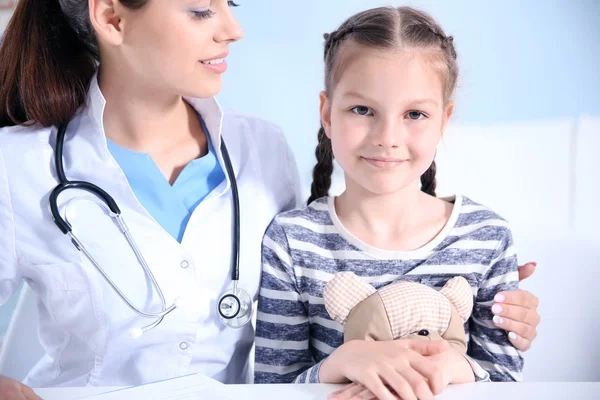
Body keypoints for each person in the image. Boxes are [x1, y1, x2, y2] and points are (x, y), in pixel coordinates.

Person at [0, 1, 539, 399]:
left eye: (229, 5)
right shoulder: (17, 166)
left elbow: (332, 278)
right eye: (200, 11)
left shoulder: (261, 149)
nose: (233, 30)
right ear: (113, 18)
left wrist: (487, 309)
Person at [254, 6, 536, 400]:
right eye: (362, 110)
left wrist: (455, 366)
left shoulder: (487, 237)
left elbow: (506, 384)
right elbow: (270, 389)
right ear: (327, 113)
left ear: (444, 120)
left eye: (415, 114)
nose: (387, 136)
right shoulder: (292, 240)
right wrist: (342, 362)